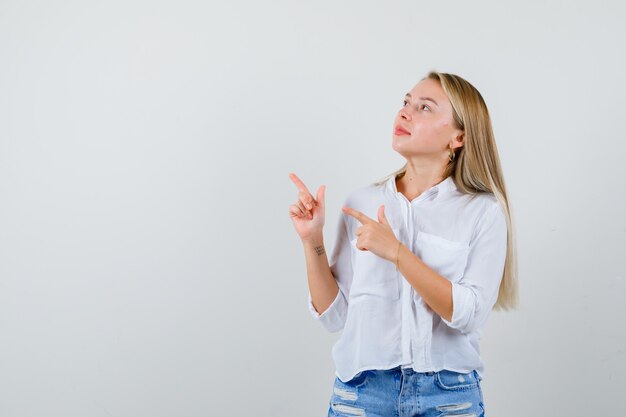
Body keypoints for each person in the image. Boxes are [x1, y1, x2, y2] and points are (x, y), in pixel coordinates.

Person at [288, 70, 518, 417]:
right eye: (406, 102)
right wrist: (312, 240)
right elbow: (334, 316)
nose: (405, 113)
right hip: (361, 397)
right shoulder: (362, 202)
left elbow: (468, 314)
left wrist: (396, 253)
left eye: (425, 107)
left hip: (448, 398)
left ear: (459, 137)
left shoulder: (482, 212)